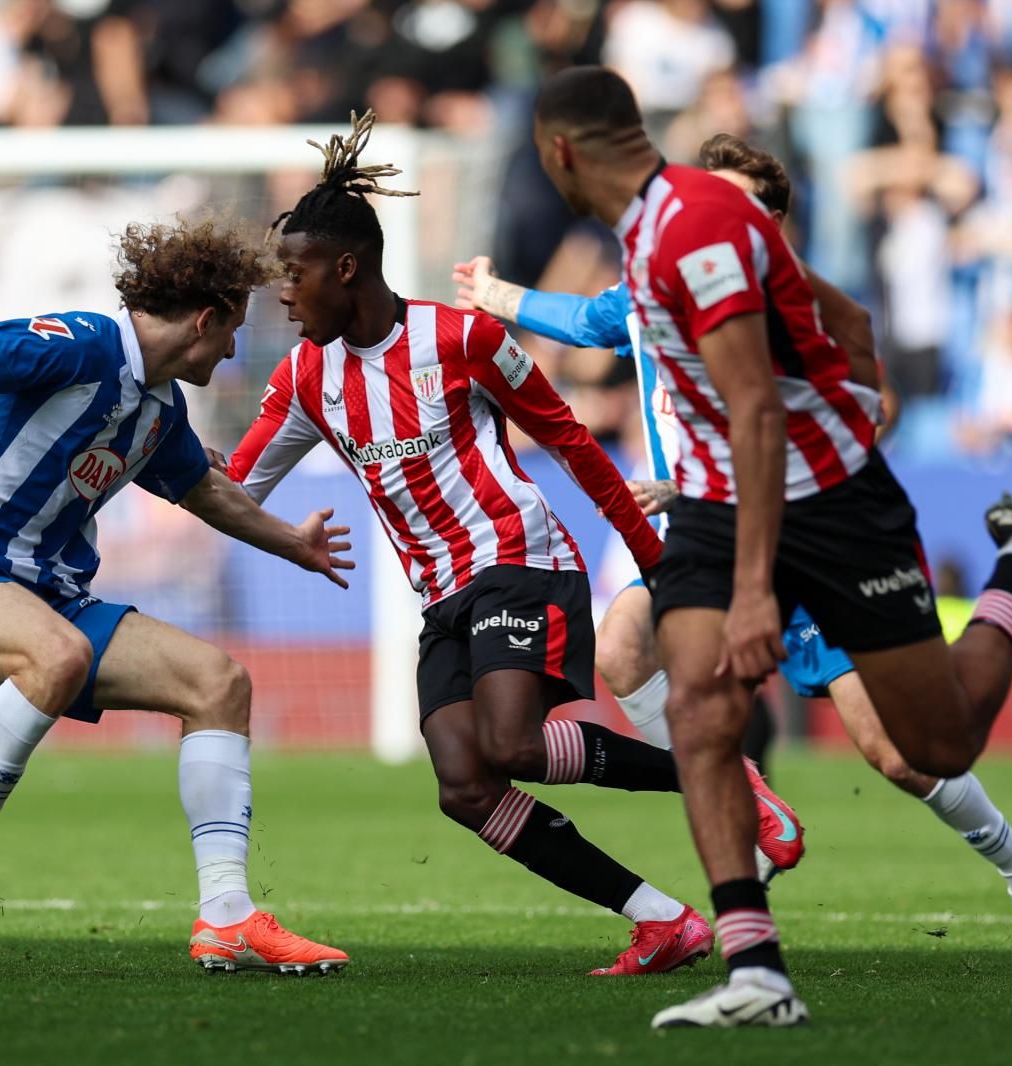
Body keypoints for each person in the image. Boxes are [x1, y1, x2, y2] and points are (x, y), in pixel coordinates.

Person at [532, 67, 1012, 1028]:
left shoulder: (693, 228)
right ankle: (755, 966)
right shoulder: (648, 239)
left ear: (560, 152)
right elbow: (828, 334)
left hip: (825, 506)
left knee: (925, 747)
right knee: (690, 701)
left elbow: (766, 405)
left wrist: (779, 555)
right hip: (721, 510)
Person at [225, 111, 800, 977]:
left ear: (346, 268)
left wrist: (653, 556)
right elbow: (227, 489)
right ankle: (662, 920)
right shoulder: (304, 376)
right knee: (465, 784)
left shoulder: (463, 340)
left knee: (514, 744)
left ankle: (716, 771)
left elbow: (572, 441)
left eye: (295, 274)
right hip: (440, 594)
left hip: (518, 559)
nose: (283, 292)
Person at [0, 217, 355, 978]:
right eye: (232, 330)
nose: (234, 349)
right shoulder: (82, 342)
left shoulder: (159, 407)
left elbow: (206, 493)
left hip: (55, 595)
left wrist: (292, 544)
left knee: (218, 682)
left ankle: (229, 917)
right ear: (204, 321)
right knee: (57, 654)